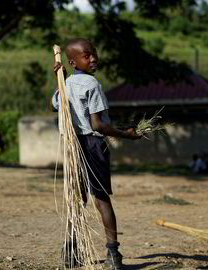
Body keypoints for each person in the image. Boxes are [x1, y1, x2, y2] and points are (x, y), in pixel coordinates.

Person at [51, 38, 141, 269]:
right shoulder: (92, 85)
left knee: (76, 199)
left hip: (72, 145)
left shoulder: (65, 84)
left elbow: (54, 104)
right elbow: (98, 125)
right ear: (73, 61)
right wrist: (126, 134)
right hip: (92, 145)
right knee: (101, 199)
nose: (93, 59)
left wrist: (59, 80)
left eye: (94, 54)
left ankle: (71, 251)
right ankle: (113, 254)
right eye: (86, 56)